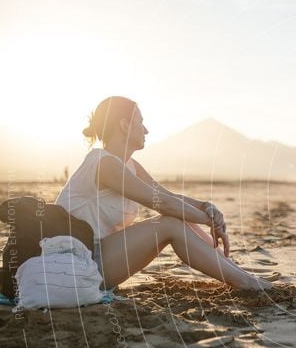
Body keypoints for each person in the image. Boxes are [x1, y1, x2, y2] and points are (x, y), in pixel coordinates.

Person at [55, 96, 273, 292]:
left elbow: (168, 196)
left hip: (100, 256)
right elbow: (164, 204)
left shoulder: (129, 165)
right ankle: (245, 282)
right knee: (170, 222)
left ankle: (242, 275)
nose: (146, 130)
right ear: (124, 125)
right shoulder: (104, 164)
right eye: (140, 122)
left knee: (175, 219)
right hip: (75, 265)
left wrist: (207, 207)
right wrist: (210, 221)